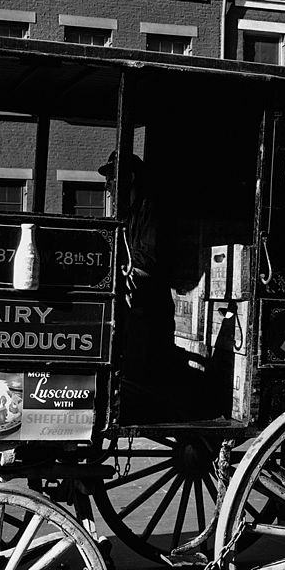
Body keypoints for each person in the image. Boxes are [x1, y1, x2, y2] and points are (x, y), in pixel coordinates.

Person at [98, 150, 176, 419]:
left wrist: (125, 279)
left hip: (149, 306)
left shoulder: (150, 209)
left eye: (111, 179)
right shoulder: (129, 213)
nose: (108, 186)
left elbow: (147, 260)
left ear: (128, 178)